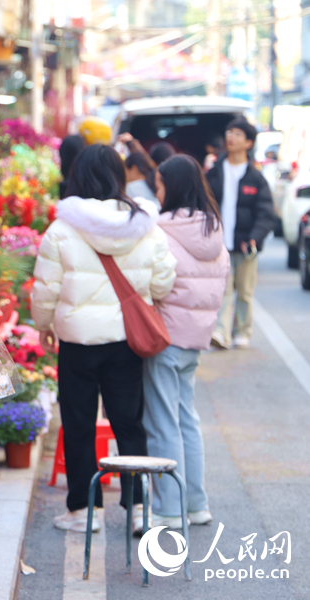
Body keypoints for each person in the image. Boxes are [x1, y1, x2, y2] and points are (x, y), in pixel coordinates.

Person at [32, 145, 177, 534]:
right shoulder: (144, 225)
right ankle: (139, 509)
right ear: (119, 176)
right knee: (129, 424)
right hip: (126, 340)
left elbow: (46, 288)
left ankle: (83, 511)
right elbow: (163, 282)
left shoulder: (62, 228)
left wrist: (43, 324)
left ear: (78, 176)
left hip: (77, 342)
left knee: (79, 423)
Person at [143, 155, 229, 529]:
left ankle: (167, 509)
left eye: (160, 185)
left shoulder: (161, 230)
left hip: (165, 337)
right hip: (195, 337)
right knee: (187, 419)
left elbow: (154, 284)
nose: (157, 192)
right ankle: (196, 504)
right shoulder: (213, 230)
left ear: (172, 187)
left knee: (163, 422)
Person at [205, 118, 277, 349]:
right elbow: (204, 206)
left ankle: (242, 332)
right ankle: (221, 332)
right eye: (229, 132)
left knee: (245, 292)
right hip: (219, 245)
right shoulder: (214, 173)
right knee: (222, 290)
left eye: (237, 134)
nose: (231, 137)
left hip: (247, 244)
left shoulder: (256, 178)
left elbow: (266, 213)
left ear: (248, 142)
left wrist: (255, 237)